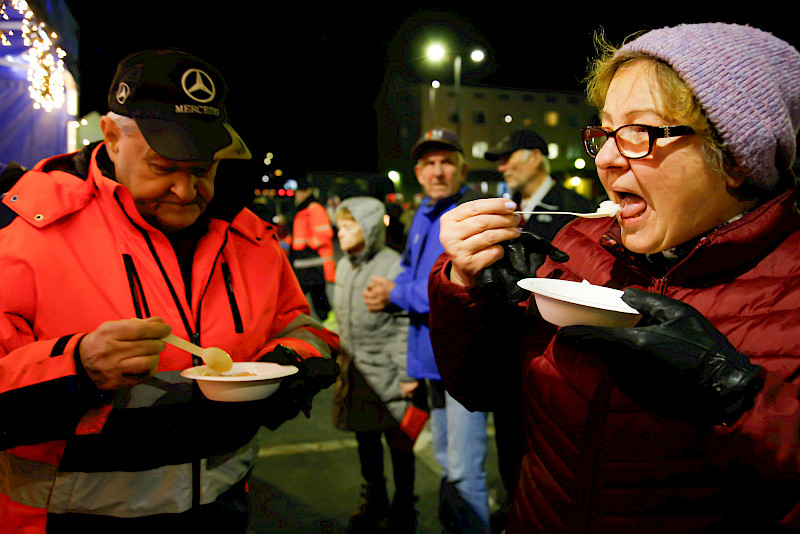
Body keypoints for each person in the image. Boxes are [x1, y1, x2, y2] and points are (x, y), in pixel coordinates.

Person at [428, 23, 800, 532]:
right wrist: (466, 290)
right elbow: (480, 390)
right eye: (604, 132)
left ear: (734, 158)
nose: (604, 158)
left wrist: (733, 392)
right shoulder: (578, 247)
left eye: (640, 133)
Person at [0, 49, 339, 533]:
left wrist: (289, 363)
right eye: (163, 167)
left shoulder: (248, 237)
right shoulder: (22, 236)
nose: (186, 191)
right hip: (71, 521)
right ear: (113, 139)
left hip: (222, 511)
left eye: (202, 170)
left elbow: (300, 324)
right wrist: (76, 368)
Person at [363, 128, 491, 533]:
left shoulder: (470, 214)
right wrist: (390, 285)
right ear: (418, 173)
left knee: (465, 467)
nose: (438, 171)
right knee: (446, 458)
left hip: (461, 361)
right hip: (430, 360)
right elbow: (410, 269)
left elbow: (455, 289)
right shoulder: (422, 213)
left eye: (446, 161)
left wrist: (395, 293)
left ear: (462, 169)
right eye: (430, 163)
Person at [330, 196, 419, 533]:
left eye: (349, 225)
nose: (340, 233)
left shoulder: (392, 265)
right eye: (340, 226)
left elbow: (402, 325)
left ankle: (404, 508)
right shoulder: (343, 265)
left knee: (399, 445)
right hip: (357, 374)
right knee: (365, 442)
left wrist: (407, 375)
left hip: (389, 373)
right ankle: (375, 500)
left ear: (368, 227)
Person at [485, 129, 594, 240]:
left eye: (507, 158)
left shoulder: (576, 210)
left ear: (535, 157)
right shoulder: (507, 210)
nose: (501, 168)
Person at [286, 174, 336, 322]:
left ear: (307, 192)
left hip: (311, 262)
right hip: (303, 263)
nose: (297, 194)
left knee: (312, 297)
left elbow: (324, 233)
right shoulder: (303, 208)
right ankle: (326, 322)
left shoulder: (314, 208)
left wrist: (308, 244)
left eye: (300, 191)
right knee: (315, 296)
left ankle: (328, 324)